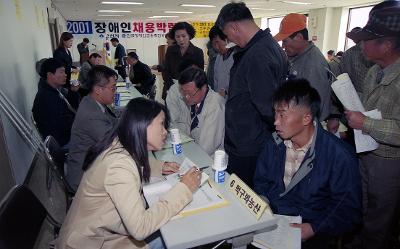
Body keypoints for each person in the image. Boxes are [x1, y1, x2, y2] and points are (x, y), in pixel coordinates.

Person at [56, 98, 201, 249]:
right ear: (142, 126)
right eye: (161, 125)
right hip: (89, 242)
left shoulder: (120, 142)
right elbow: (140, 228)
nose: (165, 132)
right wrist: (184, 189)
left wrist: (159, 167)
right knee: (174, 238)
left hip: (99, 232)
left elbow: (132, 161)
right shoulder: (119, 166)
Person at [254, 79, 362, 249]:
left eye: (282, 115)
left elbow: (347, 208)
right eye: (275, 114)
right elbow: (261, 180)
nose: (275, 122)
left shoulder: (339, 155)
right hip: (273, 222)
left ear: (306, 118)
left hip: (313, 229)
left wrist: (313, 228)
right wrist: (262, 201)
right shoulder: (274, 143)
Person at [344, 2, 400, 248]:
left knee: (381, 218)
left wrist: (365, 123)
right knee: (365, 208)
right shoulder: (374, 71)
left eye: (367, 39)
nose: (361, 45)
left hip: (389, 161)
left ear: (387, 45)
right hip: (366, 152)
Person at [216, 2, 287, 188]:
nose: (229, 39)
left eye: (227, 34)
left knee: (245, 196)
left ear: (234, 27)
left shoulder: (257, 54)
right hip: (251, 138)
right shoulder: (267, 46)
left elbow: (266, 105)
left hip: (249, 143)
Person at [66, 65, 118, 191]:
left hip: (92, 163)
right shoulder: (92, 115)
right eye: (113, 88)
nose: (115, 91)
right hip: (84, 177)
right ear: (98, 90)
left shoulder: (92, 101)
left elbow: (113, 122)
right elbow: (115, 145)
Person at [274, 13, 332, 121]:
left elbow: (312, 108)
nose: (283, 46)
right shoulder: (298, 58)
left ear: (299, 37)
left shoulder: (313, 65)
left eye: (285, 41)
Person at [174, 67, 225, 156]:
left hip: (210, 159)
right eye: (184, 92)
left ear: (204, 88)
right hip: (195, 149)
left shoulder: (215, 105)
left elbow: (207, 147)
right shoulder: (195, 99)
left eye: (190, 93)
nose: (187, 97)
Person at [32, 58, 76, 148]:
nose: (65, 75)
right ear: (50, 75)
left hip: (66, 137)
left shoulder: (51, 90)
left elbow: (70, 111)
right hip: (64, 143)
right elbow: (63, 126)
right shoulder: (47, 98)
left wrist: (73, 92)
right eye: (61, 72)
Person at [162, 22, 204, 100]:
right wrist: (173, 87)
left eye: (184, 36)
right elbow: (166, 70)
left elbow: (200, 74)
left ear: (189, 36)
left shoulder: (197, 52)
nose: (181, 39)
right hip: (171, 89)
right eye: (177, 37)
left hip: (190, 92)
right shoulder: (170, 50)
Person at [209, 25, 234, 98]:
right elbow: (216, 81)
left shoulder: (236, 57)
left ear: (227, 40)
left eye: (218, 42)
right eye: (213, 44)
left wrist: (226, 91)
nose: (216, 47)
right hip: (220, 100)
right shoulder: (218, 58)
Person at [53, 32, 79, 99]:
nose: (71, 43)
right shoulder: (58, 52)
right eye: (70, 41)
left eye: (72, 41)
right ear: (64, 41)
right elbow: (60, 67)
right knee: (68, 97)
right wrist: (71, 69)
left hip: (70, 77)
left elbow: (69, 64)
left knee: (74, 93)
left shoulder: (67, 50)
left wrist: (75, 68)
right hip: (63, 79)